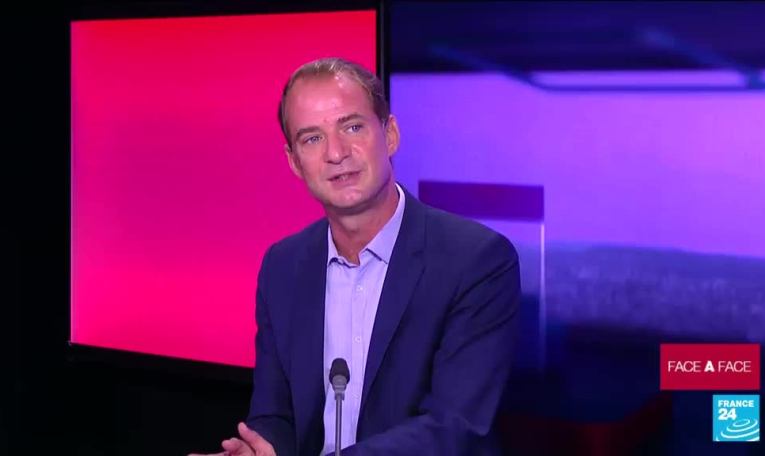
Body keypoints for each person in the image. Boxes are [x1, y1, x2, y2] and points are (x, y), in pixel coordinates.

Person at [190, 57, 520, 456]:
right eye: (312, 138)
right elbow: (275, 416)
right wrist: (263, 450)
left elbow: (452, 429)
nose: (336, 153)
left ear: (390, 134)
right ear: (294, 162)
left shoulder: (476, 260)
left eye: (352, 127)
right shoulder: (283, 266)